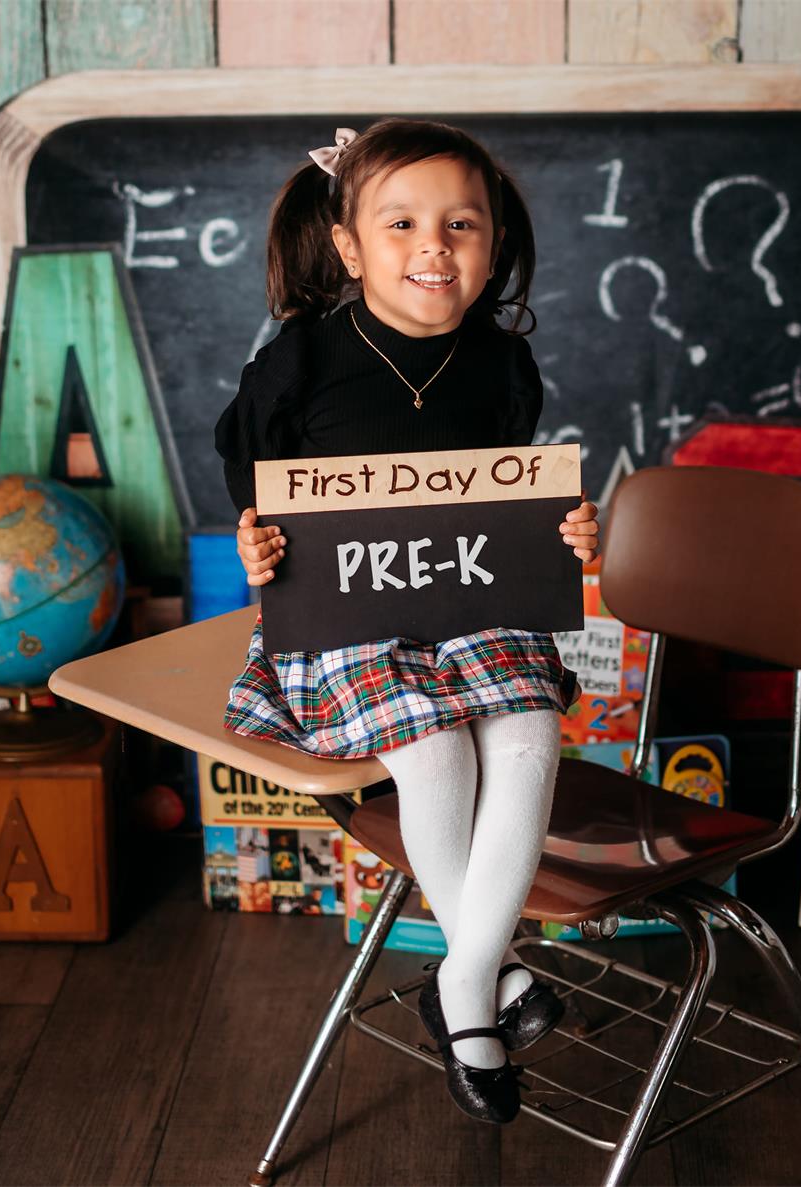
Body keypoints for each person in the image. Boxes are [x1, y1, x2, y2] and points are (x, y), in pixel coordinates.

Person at [214, 118, 599, 1125]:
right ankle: (490, 976)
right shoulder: (297, 364)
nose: (434, 247)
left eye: (461, 224)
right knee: (431, 748)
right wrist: (253, 537)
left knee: (526, 728)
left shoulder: (503, 368)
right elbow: (248, 481)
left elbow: (505, 500)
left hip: (471, 606)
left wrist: (568, 534)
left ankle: (463, 978)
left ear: (494, 244)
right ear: (348, 246)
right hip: (345, 618)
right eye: (401, 225)